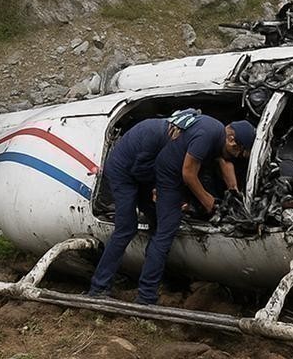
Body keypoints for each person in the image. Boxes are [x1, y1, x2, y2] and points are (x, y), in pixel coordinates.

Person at [138, 116, 255, 304]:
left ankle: (168, 283)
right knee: (165, 233)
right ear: (231, 140)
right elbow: (188, 173)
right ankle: (146, 296)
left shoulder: (216, 134)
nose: (236, 156)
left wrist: (234, 192)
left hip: (174, 177)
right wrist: (207, 201)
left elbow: (224, 161)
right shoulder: (208, 135)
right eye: (238, 150)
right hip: (169, 179)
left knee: (161, 231)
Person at [87, 114, 181, 298]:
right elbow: (139, 170)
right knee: (126, 228)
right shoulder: (154, 134)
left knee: (159, 222)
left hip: (137, 173)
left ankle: (157, 275)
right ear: (175, 129)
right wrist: (160, 187)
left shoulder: (167, 133)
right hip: (123, 174)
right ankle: (99, 286)